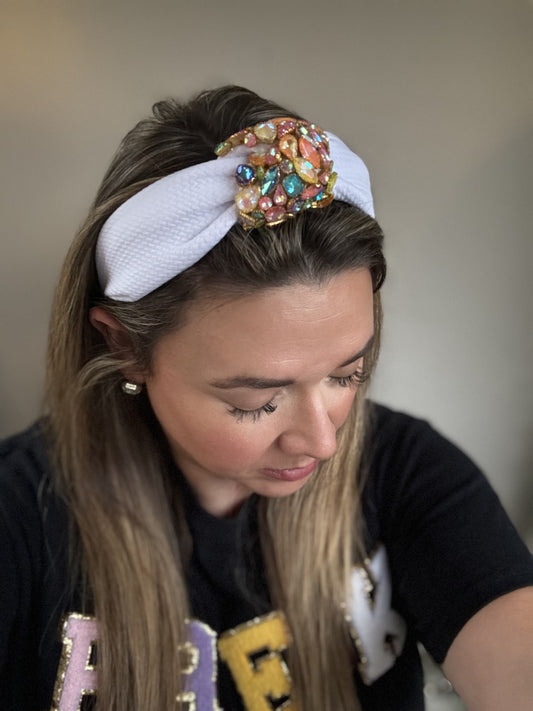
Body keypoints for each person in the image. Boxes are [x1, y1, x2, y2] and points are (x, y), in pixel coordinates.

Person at [0, 86, 531, 711]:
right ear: (126, 349)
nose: (324, 440)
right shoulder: (19, 519)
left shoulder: (410, 473)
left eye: (346, 373)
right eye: (257, 400)